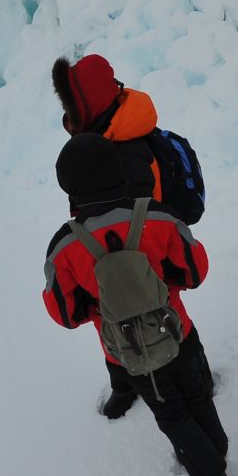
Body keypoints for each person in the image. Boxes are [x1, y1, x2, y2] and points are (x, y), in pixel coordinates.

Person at [43, 133, 235, 476]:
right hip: (179, 331)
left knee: (171, 413)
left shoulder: (65, 246)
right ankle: (216, 449)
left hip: (129, 351)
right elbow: (195, 271)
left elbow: (65, 313)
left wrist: (101, 308)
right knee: (197, 393)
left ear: (68, 185)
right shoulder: (159, 217)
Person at [54, 53, 163, 420]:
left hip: (135, 252)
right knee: (114, 324)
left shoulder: (123, 150)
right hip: (108, 250)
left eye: (73, 104)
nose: (68, 114)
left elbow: (138, 216)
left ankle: (182, 377)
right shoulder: (105, 133)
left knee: (151, 317)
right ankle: (125, 383)